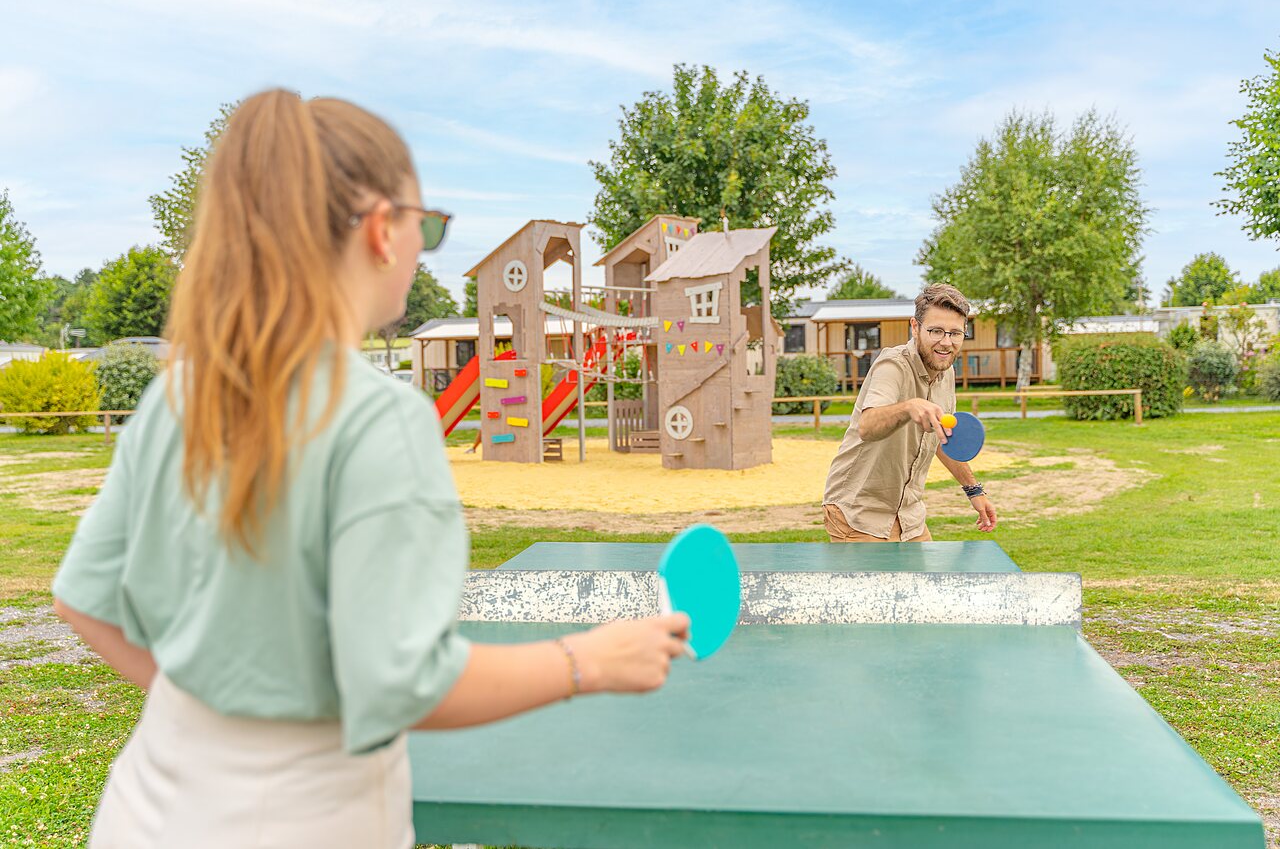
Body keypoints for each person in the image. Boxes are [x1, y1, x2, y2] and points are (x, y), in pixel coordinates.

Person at [51, 89, 689, 849]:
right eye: (430, 225)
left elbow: (82, 600)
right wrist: (586, 659)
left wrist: (219, 706)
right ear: (385, 231)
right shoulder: (379, 420)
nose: (425, 243)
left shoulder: (178, 396)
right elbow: (398, 680)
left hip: (148, 804)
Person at [822, 284, 998, 542]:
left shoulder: (946, 373)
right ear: (915, 328)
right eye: (936, 331)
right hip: (859, 513)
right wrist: (908, 407)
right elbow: (867, 426)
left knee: (927, 583)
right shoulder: (892, 365)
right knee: (880, 585)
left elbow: (943, 438)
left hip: (909, 515)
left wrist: (974, 490)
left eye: (955, 333)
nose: (946, 342)